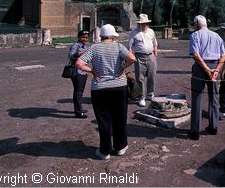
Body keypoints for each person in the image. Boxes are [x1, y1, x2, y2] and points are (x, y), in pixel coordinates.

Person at [76, 24, 136, 160]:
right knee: (120, 118)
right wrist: (122, 68)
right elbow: (132, 58)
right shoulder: (118, 46)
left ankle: (105, 151)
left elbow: (79, 63)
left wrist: (92, 71)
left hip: (100, 88)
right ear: (113, 36)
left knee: (104, 120)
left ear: (101, 36)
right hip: (119, 87)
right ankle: (120, 147)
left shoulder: (94, 48)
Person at [188, 15, 225, 140]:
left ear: (197, 24)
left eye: (194, 24)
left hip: (200, 67)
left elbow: (196, 54)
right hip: (215, 65)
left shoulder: (195, 35)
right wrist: (216, 71)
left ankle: (195, 131)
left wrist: (207, 69)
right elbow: (224, 55)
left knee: (197, 97)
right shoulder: (216, 36)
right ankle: (213, 126)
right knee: (214, 97)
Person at [127, 14, 158, 107]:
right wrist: (132, 56)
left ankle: (150, 94)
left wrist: (155, 54)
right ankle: (142, 97)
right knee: (140, 78)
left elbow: (155, 43)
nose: (143, 25)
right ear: (139, 24)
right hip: (139, 57)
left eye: (145, 23)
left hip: (151, 56)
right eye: (141, 23)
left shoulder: (151, 31)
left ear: (147, 23)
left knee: (152, 76)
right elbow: (129, 46)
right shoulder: (134, 33)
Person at [68, 30, 90, 118]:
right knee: (78, 91)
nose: (85, 39)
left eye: (86, 37)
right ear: (79, 37)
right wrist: (79, 53)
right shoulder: (75, 45)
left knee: (80, 91)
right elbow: (71, 55)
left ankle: (79, 108)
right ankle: (78, 111)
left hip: (83, 70)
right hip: (77, 71)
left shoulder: (85, 46)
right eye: (83, 37)